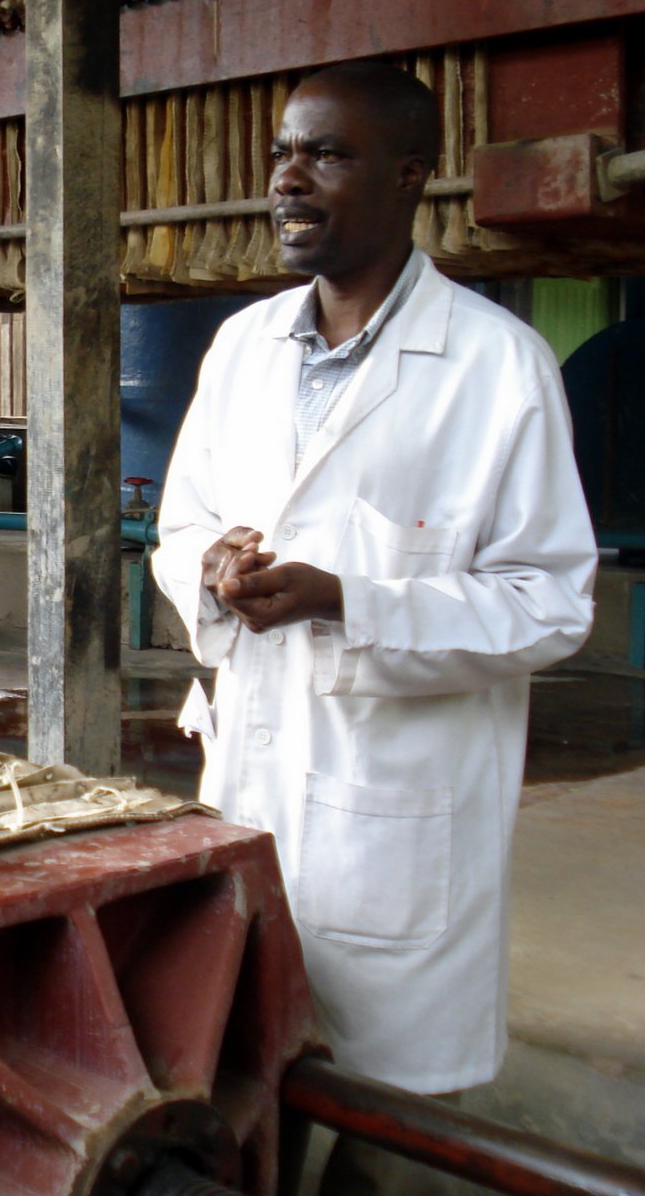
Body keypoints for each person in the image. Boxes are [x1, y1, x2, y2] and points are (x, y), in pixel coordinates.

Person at [150, 61, 597, 1193]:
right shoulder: (243, 346)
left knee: (382, 1127)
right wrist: (210, 566)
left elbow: (550, 599)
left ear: (410, 175)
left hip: (396, 817)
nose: (288, 179)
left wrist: (349, 600)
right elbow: (181, 521)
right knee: (244, 1080)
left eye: (327, 154)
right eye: (281, 153)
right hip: (251, 784)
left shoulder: (496, 368)